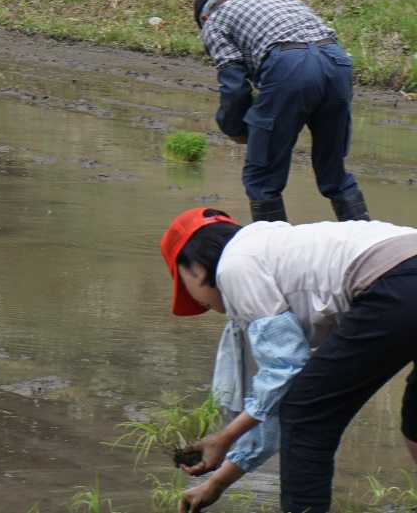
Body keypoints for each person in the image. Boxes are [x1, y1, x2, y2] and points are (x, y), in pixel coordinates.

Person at [160, 207, 417, 513]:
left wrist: (227, 436)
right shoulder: (276, 251)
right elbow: (287, 389)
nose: (199, 302)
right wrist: (217, 483)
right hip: (402, 271)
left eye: (182, 280)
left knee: (307, 417)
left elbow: (286, 374)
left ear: (197, 268)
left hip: (397, 279)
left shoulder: (234, 267)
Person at [193, 0, 369, 224]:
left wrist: (234, 128)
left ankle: (275, 252)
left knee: (262, 177)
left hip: (291, 68)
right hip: (337, 64)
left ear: (204, 19)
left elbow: (234, 86)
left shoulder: (213, 21)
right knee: (334, 174)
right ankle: (365, 241)